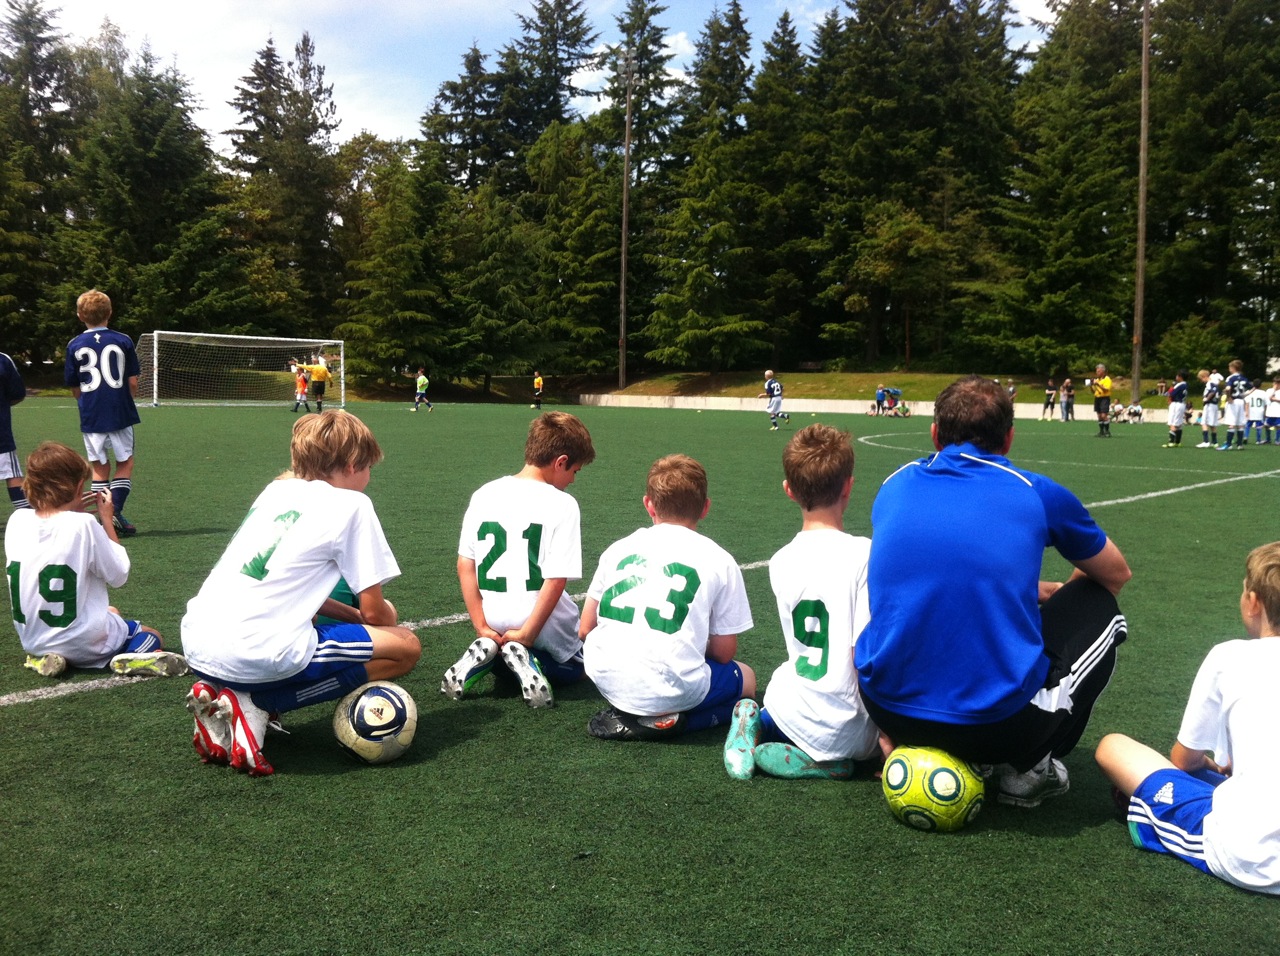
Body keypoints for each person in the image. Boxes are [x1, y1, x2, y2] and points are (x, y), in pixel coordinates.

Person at [855, 375, 1131, 808]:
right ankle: (1028, 769)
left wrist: (1016, 589)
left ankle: (922, 738)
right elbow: (1114, 574)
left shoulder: (895, 482)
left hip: (888, 710)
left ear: (934, 434)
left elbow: (937, 563)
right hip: (995, 727)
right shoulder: (1035, 492)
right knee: (1100, 603)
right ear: (1008, 439)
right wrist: (1051, 597)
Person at [180, 410, 420, 776]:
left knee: (308, 627)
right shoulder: (353, 505)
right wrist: (384, 618)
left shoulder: (275, 491)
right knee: (404, 647)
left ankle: (222, 695)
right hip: (255, 649)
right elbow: (376, 614)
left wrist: (351, 617)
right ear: (354, 464)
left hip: (198, 640)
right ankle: (258, 704)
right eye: (369, 468)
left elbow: (290, 588)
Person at [1095, 542, 1280, 895]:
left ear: (1253, 602)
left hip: (1250, 858)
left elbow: (1185, 760)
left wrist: (1210, 764)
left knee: (1112, 747)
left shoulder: (1229, 657)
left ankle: (1150, 813)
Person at [723, 425, 878, 781]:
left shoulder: (781, 560)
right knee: (871, 748)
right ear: (849, 486)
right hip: (850, 726)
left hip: (792, 710)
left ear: (789, 491)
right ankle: (833, 764)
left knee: (781, 694)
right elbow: (865, 656)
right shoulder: (866, 555)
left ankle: (753, 722)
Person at [581, 454, 754, 741]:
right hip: (671, 685)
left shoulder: (618, 549)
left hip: (605, 677)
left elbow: (585, 628)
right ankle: (678, 722)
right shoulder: (720, 559)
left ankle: (635, 712)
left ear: (649, 505)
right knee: (746, 678)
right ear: (705, 508)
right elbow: (724, 652)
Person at [444, 411, 595, 709]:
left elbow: (465, 565)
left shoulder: (484, 493)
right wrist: (528, 633)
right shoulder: (563, 504)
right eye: (574, 471)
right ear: (560, 462)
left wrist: (481, 626)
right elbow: (555, 579)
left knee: (503, 654)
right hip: (540, 622)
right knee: (588, 668)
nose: (573, 480)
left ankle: (492, 652)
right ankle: (533, 660)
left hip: (493, 618)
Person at [5, 441, 183, 678]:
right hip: (82, 644)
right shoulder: (84, 524)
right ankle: (134, 656)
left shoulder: (17, 520)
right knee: (150, 633)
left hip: (33, 641)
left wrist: (71, 513)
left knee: (112, 610)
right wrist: (107, 521)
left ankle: (42, 659)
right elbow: (119, 575)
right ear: (79, 486)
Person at [63, 290, 141, 536]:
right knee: (125, 462)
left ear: (79, 315)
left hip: (92, 414)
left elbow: (74, 387)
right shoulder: (123, 340)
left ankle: (104, 519)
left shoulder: (74, 344)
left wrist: (86, 404)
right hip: (120, 411)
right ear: (110, 312)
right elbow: (133, 383)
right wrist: (126, 401)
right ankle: (113, 512)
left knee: (99, 467)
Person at [1, 350, 27, 510]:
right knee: (12, 474)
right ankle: (26, 517)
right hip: (1, 433)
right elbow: (18, 393)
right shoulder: (3, 360)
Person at [1219, 359, 1249, 450]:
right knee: (1240, 424)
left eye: (1229, 367)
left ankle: (1228, 444)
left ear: (1233, 368)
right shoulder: (1244, 378)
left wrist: (1229, 397)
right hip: (1241, 401)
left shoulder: (1230, 378)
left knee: (1231, 423)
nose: (1229, 369)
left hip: (1233, 402)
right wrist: (1244, 394)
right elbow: (1252, 387)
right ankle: (1240, 445)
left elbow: (1228, 389)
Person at [1162, 370, 1188, 448]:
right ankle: (1177, 442)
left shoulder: (1179, 385)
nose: (1176, 377)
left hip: (1176, 404)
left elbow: (1171, 393)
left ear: (1180, 377)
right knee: (1179, 423)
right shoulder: (1185, 385)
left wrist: (1168, 392)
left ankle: (1171, 442)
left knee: (1172, 423)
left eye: (1177, 376)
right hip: (1182, 404)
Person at [1196, 369, 1221, 448]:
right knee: (1212, 424)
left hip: (1209, 405)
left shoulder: (1210, 383)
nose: (1201, 381)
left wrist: (1207, 399)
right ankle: (1215, 442)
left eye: (1201, 379)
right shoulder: (1214, 383)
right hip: (1214, 405)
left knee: (1204, 423)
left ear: (1204, 376)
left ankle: (1206, 441)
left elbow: (1213, 392)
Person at [1089, 364, 1112, 437]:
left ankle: (1107, 431)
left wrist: (1098, 384)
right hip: (1097, 398)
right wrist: (1091, 385)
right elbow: (1094, 392)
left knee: (1104, 415)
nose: (1097, 372)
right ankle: (1101, 431)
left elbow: (1106, 390)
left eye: (1098, 371)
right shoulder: (1098, 380)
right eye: (1096, 371)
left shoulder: (1107, 379)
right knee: (1099, 416)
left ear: (1103, 371)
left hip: (1104, 398)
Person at [1246, 380, 1268, 445]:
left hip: (1251, 411)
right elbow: (1266, 404)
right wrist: (1265, 412)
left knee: (1247, 426)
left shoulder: (1249, 392)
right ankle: (1258, 440)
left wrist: (1246, 412)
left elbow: (1247, 403)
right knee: (1259, 426)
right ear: (1260, 385)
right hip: (1259, 412)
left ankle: (1245, 437)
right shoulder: (1263, 393)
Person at [1265, 377, 1280, 446]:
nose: (1276, 385)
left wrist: (1274, 399)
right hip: (1270, 412)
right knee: (1266, 425)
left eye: (1278, 383)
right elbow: (1268, 399)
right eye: (1275, 383)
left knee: (1278, 426)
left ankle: (1277, 440)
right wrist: (1274, 391)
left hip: (1278, 412)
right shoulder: (1269, 390)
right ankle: (1268, 439)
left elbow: (1273, 399)